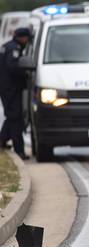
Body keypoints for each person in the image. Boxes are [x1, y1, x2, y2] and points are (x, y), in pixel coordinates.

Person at [0, 27, 31, 160]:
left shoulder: (6, 46)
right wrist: (25, 72)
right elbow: (12, 66)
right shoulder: (14, 49)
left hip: (6, 88)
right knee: (16, 119)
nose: (27, 41)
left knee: (12, 116)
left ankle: (2, 140)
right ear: (22, 37)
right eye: (27, 38)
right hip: (11, 88)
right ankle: (19, 150)